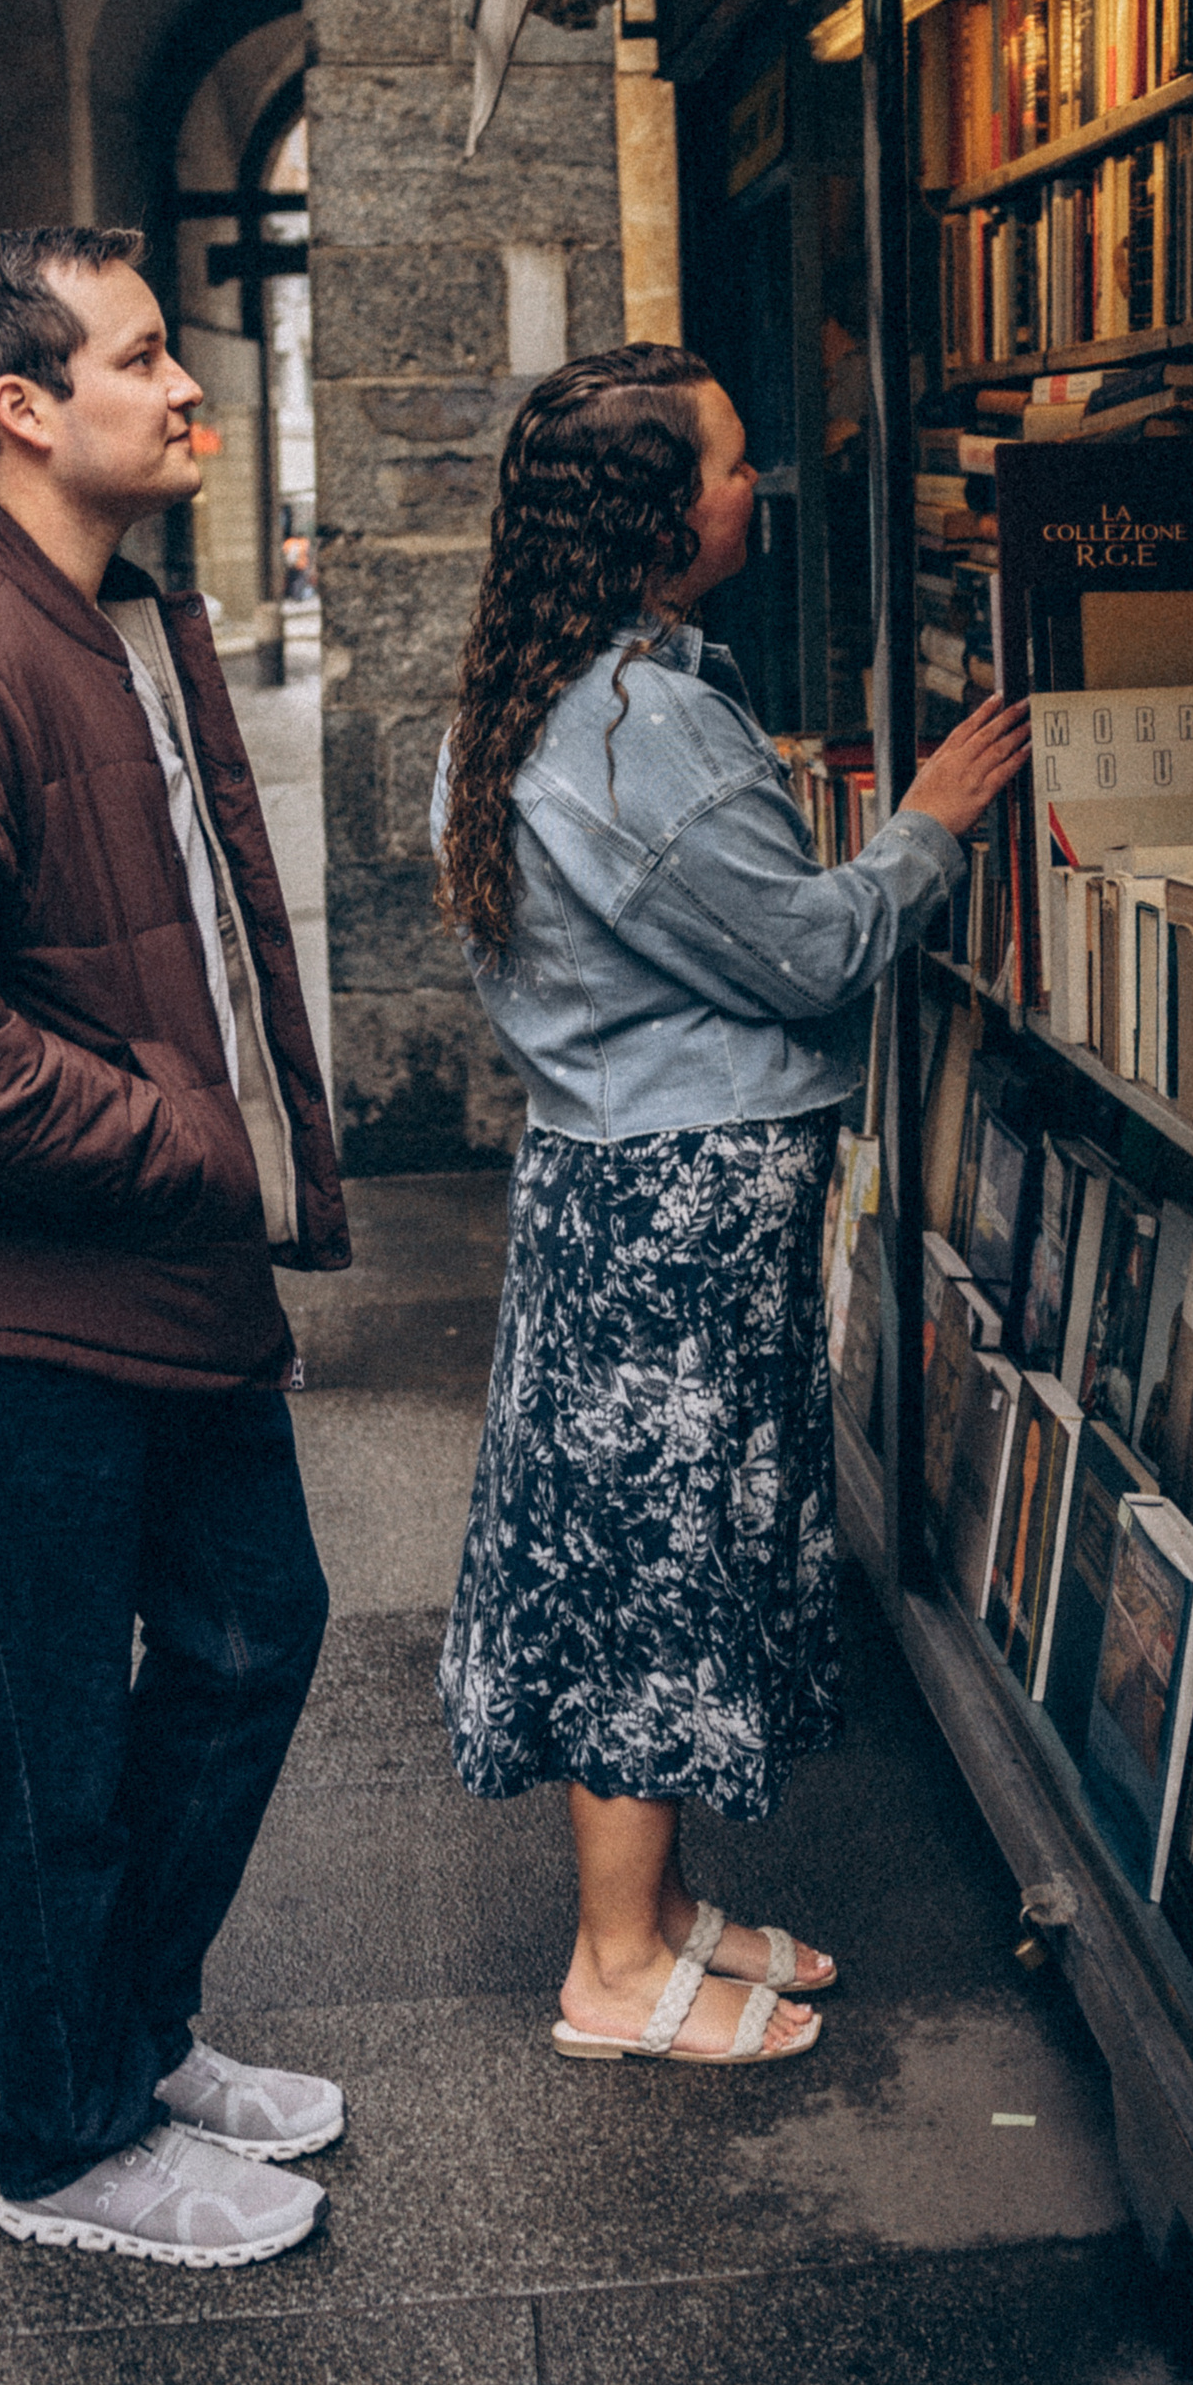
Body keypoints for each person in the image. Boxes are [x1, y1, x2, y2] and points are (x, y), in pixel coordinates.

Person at [0, 227, 351, 2267]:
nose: (188, 384)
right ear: (22, 407)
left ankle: (132, 2031)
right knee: (54, 1731)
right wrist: (180, 1134)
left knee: (246, 1631)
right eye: (140, 355)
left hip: (138, 1262)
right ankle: (69, 2142)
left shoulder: (105, 602)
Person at [430, 342, 1029, 2067]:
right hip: (674, 1204)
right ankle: (613, 1967)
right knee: (653, 1560)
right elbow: (809, 946)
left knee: (657, 1537)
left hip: (622, 1176)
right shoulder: (644, 728)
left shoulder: (545, 687)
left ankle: (662, 1910)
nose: (756, 483)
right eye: (732, 461)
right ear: (656, 513)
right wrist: (920, 833)